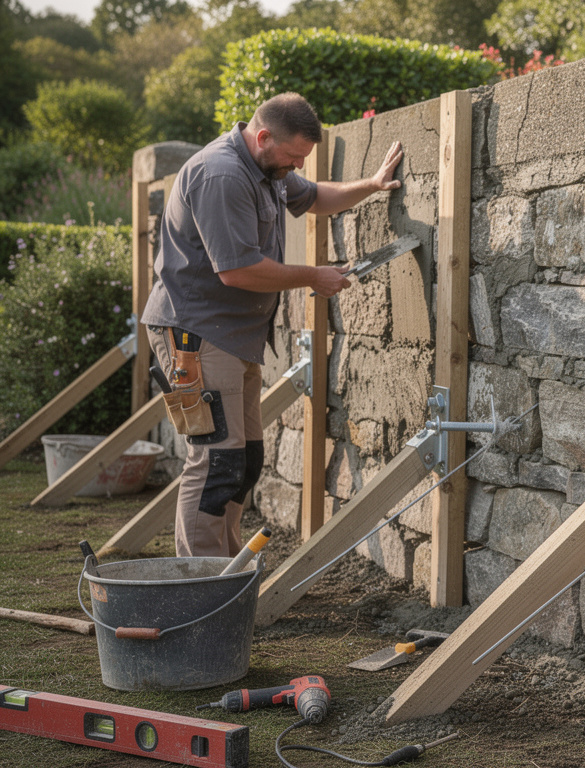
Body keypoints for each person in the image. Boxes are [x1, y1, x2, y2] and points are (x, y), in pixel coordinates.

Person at [141, 92, 403, 558]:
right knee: (216, 460)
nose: (295, 166)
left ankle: (225, 571)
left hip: (233, 336)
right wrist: (313, 277)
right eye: (292, 156)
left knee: (245, 461)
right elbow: (237, 270)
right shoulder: (222, 175)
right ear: (263, 137)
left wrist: (372, 184)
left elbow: (317, 196)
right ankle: (201, 584)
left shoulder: (267, 168)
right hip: (194, 334)